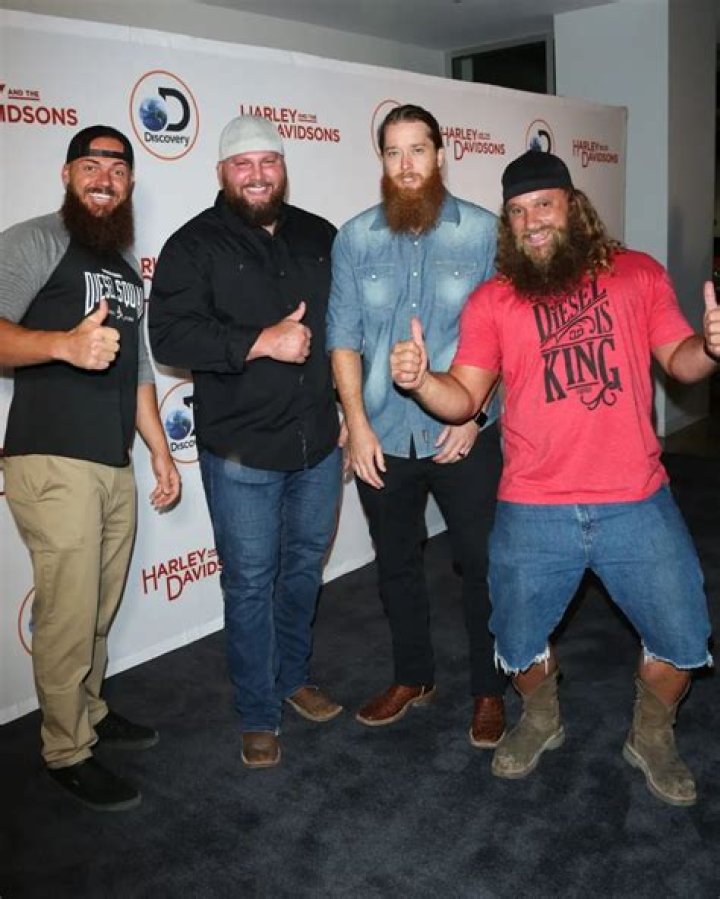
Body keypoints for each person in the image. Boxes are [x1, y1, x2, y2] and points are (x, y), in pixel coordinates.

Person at [390, 148, 717, 806]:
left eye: (544, 204)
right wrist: (422, 381)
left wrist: (711, 346)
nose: (532, 221)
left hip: (634, 498)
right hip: (534, 504)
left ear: (574, 206)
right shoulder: (494, 300)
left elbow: (681, 363)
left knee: (683, 639)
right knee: (515, 641)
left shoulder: (637, 274)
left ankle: (651, 733)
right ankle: (542, 719)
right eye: (517, 212)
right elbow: (465, 397)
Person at [149, 115, 343, 769]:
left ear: (283, 167)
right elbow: (168, 337)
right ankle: (258, 712)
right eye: (243, 164)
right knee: (251, 582)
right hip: (241, 453)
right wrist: (261, 341)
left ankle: (292, 678)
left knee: (304, 568)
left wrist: (349, 408)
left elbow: (344, 330)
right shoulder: (192, 245)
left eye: (269, 162)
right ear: (222, 172)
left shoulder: (319, 235)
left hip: (318, 442)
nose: (258, 175)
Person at [0, 125, 181, 812]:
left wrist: (159, 450)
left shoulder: (125, 265)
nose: (105, 177)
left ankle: (91, 712)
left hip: (112, 460)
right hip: (52, 458)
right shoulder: (34, 240)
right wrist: (62, 346)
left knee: (98, 607)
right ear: (67, 174)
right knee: (69, 614)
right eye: (91, 165)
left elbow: (139, 371)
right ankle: (66, 749)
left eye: (118, 168)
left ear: (129, 183)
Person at [327, 104, 507, 746]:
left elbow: (510, 333)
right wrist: (357, 423)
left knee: (481, 564)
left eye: (417, 150)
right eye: (393, 152)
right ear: (381, 160)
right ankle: (413, 676)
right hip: (384, 433)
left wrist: (477, 412)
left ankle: (490, 688)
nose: (405, 165)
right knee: (396, 563)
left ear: (441, 155)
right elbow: (343, 337)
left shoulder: (484, 233)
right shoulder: (354, 238)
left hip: (464, 433)